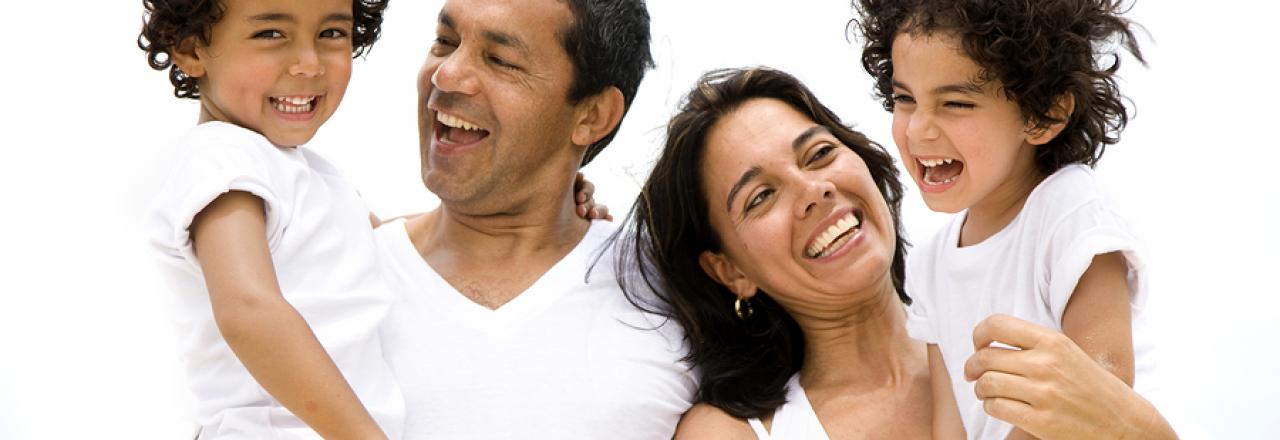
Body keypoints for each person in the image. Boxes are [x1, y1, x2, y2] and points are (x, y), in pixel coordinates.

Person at [623, 67, 1177, 439]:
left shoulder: (1034, 313)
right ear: (729, 270)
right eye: (761, 196)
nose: (813, 190)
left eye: (818, 155)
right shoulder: (736, 432)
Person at [139, 0, 606, 437]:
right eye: (271, 33)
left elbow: (380, 244)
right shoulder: (222, 160)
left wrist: (557, 210)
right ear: (190, 48)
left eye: (331, 32)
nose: (309, 63)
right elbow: (249, 311)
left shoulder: (296, 171)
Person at [371, 0, 696, 438]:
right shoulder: (331, 269)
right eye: (445, 41)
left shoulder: (678, 295)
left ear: (592, 115)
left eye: (502, 60)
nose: (445, 74)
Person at [852, 1, 1174, 438]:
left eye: (955, 103)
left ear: (1045, 114)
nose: (917, 130)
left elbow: (1104, 385)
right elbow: (951, 426)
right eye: (904, 99)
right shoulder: (929, 265)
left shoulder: (1069, 211)